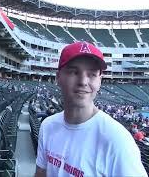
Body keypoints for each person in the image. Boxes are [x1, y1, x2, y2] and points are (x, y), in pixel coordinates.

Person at [35, 42, 147, 177]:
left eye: (92, 74)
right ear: (58, 77)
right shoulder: (48, 126)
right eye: (74, 72)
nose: (83, 81)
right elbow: (41, 172)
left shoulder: (119, 141)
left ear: (100, 81)